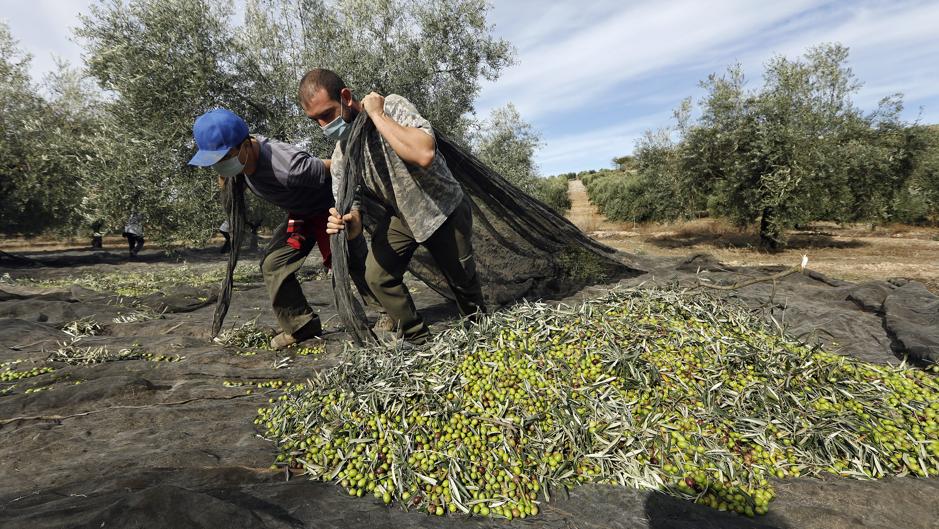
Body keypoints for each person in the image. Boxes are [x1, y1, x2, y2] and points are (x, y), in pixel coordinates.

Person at [299, 68, 485, 344]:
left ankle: (480, 334)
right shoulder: (342, 156)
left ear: (346, 97)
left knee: (462, 281)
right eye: (315, 120)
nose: (323, 126)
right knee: (377, 276)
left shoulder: (392, 106)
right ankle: (420, 340)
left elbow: (423, 153)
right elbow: (354, 215)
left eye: (327, 114)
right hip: (405, 218)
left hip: (442, 207)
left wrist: (377, 115)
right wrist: (347, 223)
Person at [188, 108, 378, 349]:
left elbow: (335, 166)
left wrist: (351, 212)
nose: (220, 166)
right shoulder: (240, 159)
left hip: (327, 207)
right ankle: (300, 324)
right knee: (274, 263)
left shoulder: (290, 167)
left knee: (349, 261)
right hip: (300, 214)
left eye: (223, 159)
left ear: (246, 146)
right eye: (214, 161)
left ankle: (386, 312)